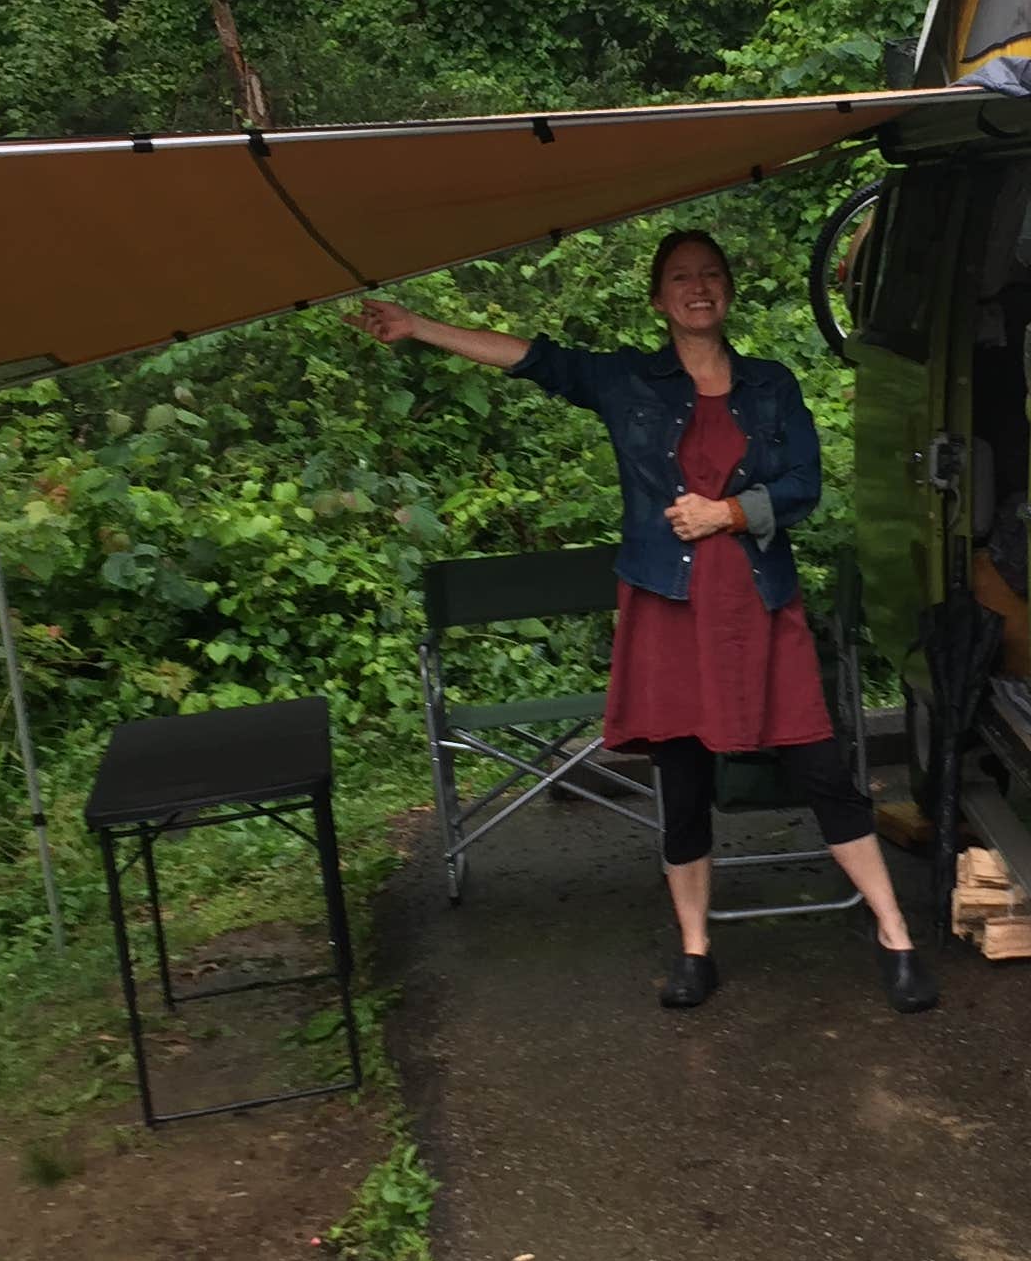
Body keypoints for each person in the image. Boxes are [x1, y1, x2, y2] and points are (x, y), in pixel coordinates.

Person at [347, 232, 937, 1014]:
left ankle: (895, 934)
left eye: (711, 274)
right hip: (667, 604)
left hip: (757, 602)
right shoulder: (628, 381)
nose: (699, 287)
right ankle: (695, 950)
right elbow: (532, 357)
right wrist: (419, 326)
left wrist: (728, 512)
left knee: (820, 765)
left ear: (728, 290)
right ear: (659, 299)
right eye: (681, 277)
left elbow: (804, 485)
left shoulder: (771, 384)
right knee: (682, 778)